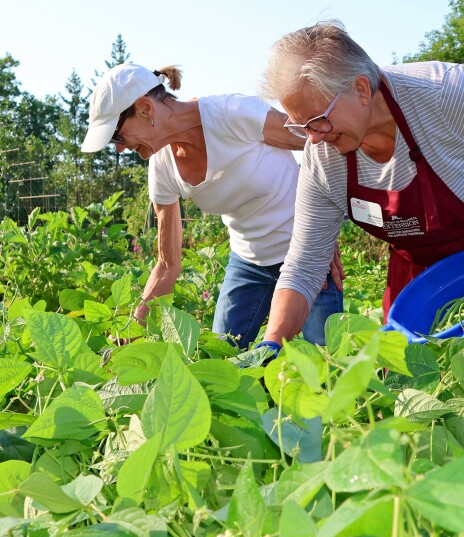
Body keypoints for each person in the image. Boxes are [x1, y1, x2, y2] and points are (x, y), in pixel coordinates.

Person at [256, 21, 464, 355]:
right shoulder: (323, 159)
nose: (313, 137)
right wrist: (273, 340)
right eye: (300, 126)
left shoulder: (448, 94)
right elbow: (305, 264)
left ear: (361, 90)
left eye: (317, 120)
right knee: (421, 377)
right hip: (428, 272)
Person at [81, 63, 344, 348]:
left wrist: (319, 234)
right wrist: (133, 326)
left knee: (324, 362)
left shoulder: (231, 114)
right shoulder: (162, 167)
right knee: (219, 360)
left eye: (117, 136)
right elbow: (168, 264)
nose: (120, 148)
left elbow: (324, 143)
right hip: (248, 262)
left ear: (145, 109)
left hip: (303, 255)